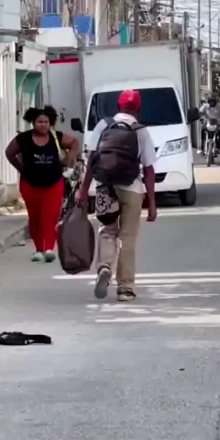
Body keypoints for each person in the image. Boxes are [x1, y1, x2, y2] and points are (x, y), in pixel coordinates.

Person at [76, 89, 157, 302]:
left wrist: (83, 191)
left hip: (105, 186)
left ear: (118, 106)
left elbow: (92, 161)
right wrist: (152, 203)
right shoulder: (140, 131)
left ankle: (104, 266)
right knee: (127, 238)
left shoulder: (103, 125)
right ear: (138, 108)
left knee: (107, 230)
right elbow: (149, 169)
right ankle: (125, 288)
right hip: (132, 189)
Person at [6, 106, 80, 262]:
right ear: (33, 122)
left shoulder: (56, 137)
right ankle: (39, 249)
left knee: (51, 216)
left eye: (46, 122)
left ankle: (49, 249)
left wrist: (68, 159)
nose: (43, 125)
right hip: (30, 184)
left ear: (50, 122)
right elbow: (9, 153)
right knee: (35, 217)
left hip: (54, 183)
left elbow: (74, 143)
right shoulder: (24, 139)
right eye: (40, 122)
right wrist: (20, 168)